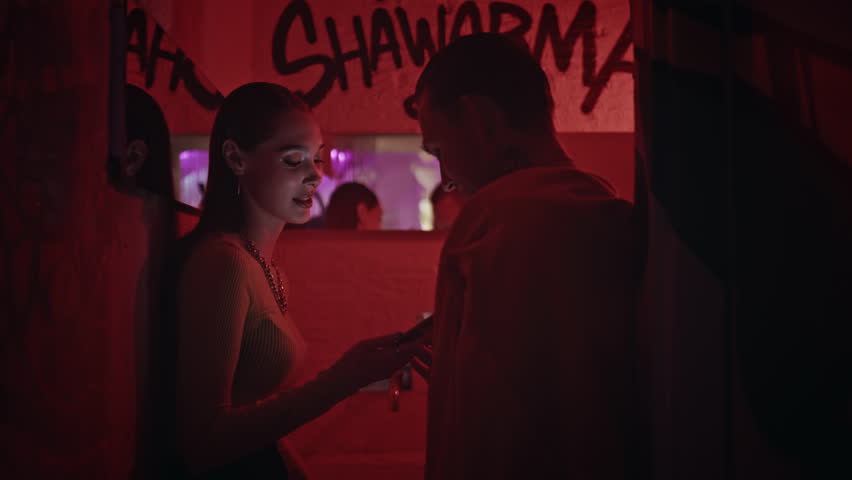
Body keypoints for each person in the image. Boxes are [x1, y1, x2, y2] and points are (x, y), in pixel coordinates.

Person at [410, 33, 638, 479]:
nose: (447, 178)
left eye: (438, 150)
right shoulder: (613, 216)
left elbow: (496, 434)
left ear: (480, 120)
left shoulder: (493, 222)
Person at [171, 82, 423, 479]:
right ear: (237, 159)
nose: (315, 176)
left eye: (318, 159)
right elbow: (204, 441)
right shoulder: (224, 262)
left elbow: (257, 416)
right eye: (294, 160)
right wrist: (343, 379)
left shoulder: (269, 270)